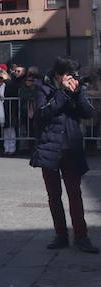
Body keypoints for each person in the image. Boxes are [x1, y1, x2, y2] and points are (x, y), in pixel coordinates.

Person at [31, 57, 97, 253]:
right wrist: (61, 93)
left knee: (75, 194)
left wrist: (77, 94)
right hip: (50, 147)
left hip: (71, 148)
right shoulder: (43, 89)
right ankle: (61, 235)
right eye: (68, 75)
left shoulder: (76, 89)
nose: (72, 78)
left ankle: (81, 236)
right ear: (59, 75)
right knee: (54, 195)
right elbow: (42, 115)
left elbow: (87, 114)